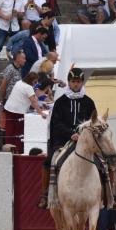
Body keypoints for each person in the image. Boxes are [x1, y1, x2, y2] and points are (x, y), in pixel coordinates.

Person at [37, 68, 97, 209]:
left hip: (84, 141)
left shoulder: (89, 102)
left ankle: (108, 196)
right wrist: (71, 134)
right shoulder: (60, 102)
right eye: (73, 82)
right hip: (63, 141)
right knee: (49, 162)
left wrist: (82, 135)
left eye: (78, 82)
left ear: (82, 83)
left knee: (102, 162)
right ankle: (45, 194)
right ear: (69, 83)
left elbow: (92, 122)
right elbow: (56, 123)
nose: (76, 84)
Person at [3, 71, 47, 154]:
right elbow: (33, 101)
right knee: (18, 133)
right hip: (18, 112)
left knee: (9, 131)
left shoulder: (19, 82)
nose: (35, 84)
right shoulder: (28, 88)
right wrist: (40, 112)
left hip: (9, 108)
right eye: (35, 82)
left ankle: (7, 150)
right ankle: (17, 151)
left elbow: (22, 97)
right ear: (31, 80)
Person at [0, 50, 25, 131]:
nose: (25, 60)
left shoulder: (19, 69)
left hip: (16, 101)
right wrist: (3, 100)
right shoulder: (10, 69)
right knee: (8, 125)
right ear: (17, 59)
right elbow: (3, 86)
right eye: (23, 58)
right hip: (9, 101)